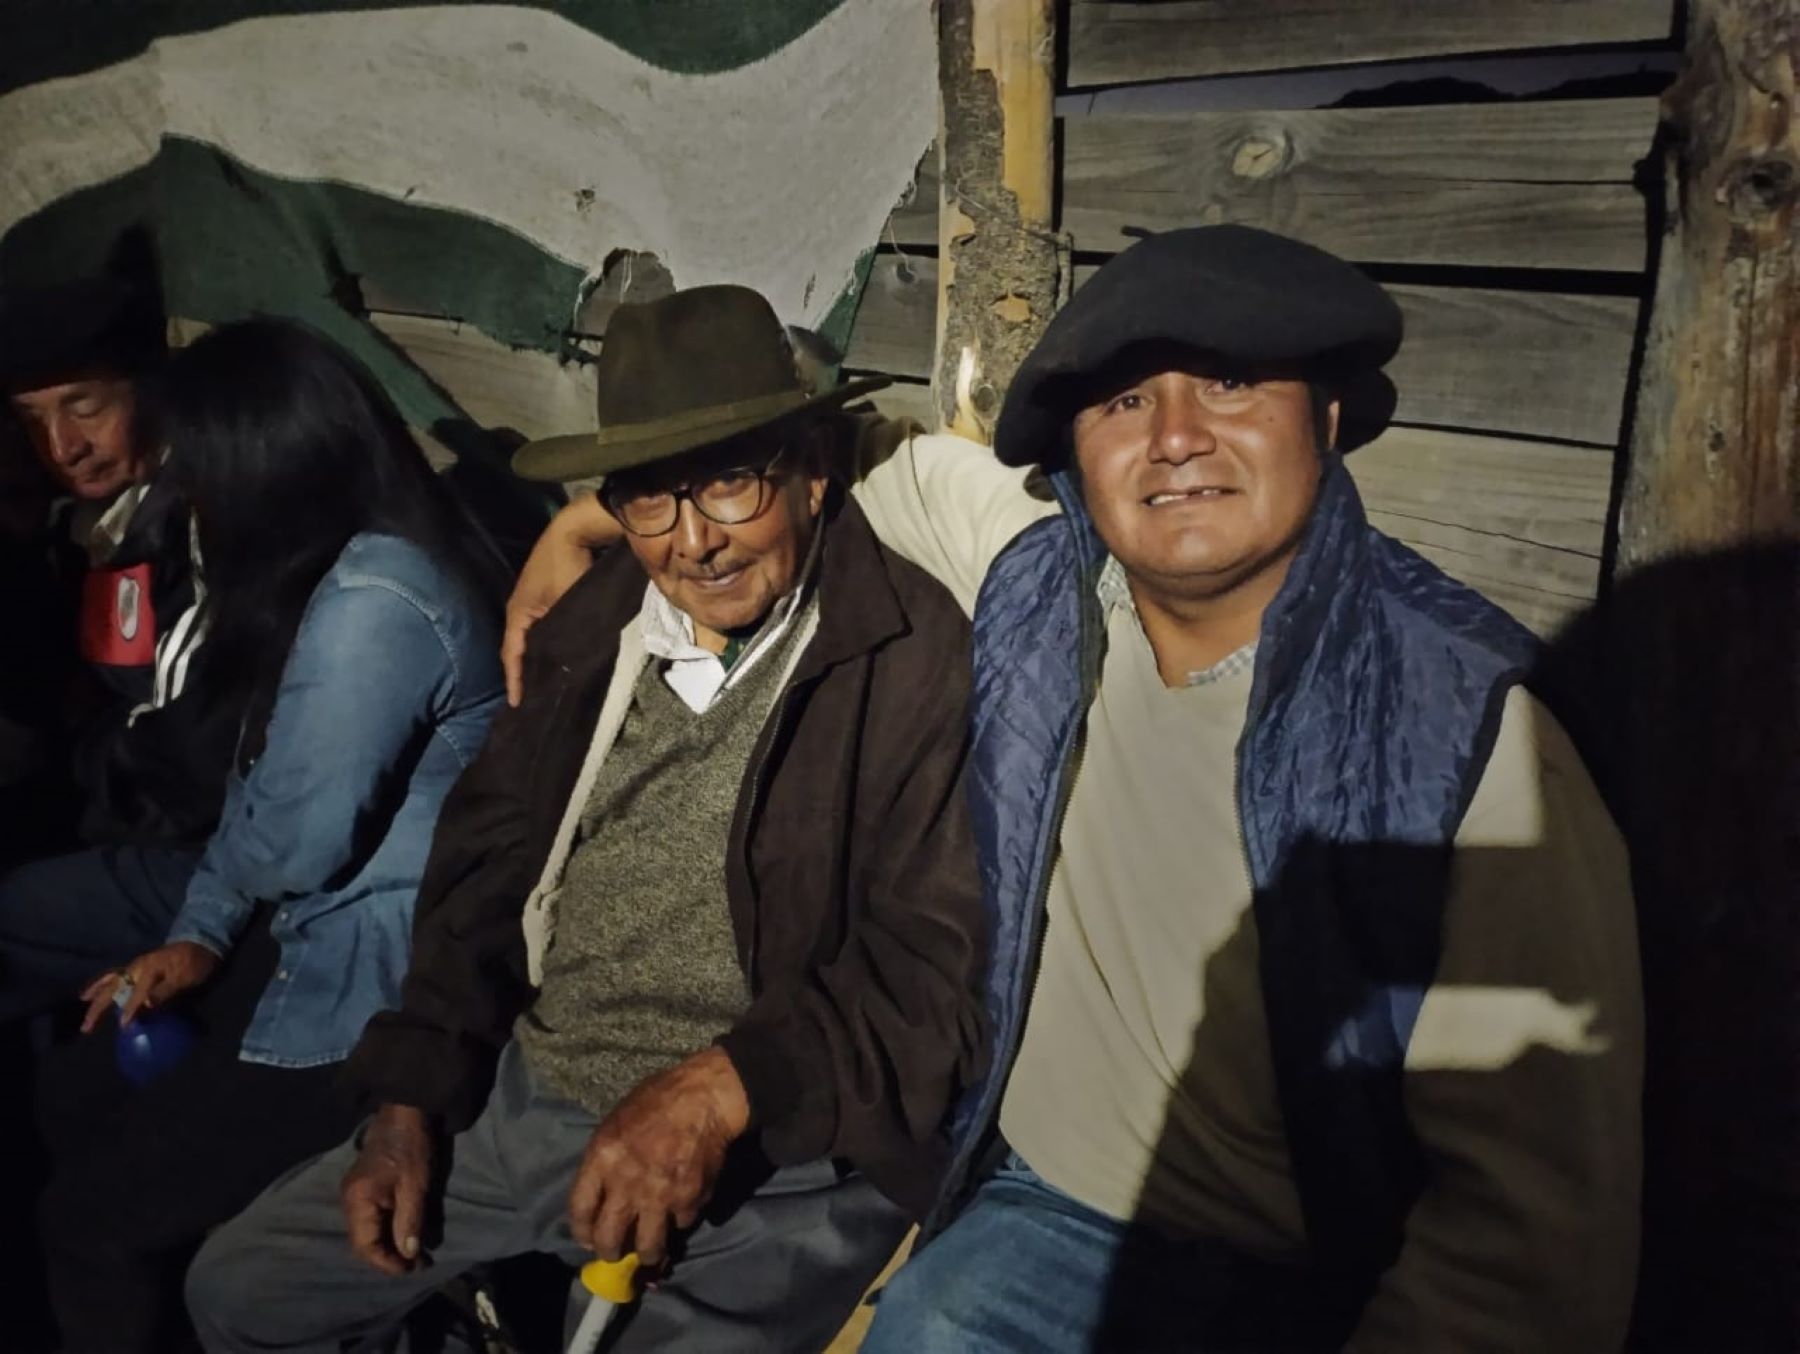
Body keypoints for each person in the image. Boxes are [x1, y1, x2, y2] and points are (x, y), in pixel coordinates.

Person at [503, 228, 1644, 1352]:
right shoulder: (1036, 586)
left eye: (1232, 382)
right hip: (1042, 1211)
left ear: (1330, 417)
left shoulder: (1465, 733)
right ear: (1074, 459)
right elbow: (817, 461)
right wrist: (595, 514)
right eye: (1123, 404)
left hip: (1311, 1273)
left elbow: (1525, 1250)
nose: (1178, 438)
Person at [186, 285, 989, 1353]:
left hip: (784, 1147)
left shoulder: (912, 652)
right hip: (539, 1093)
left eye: (731, 485)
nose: (695, 541)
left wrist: (720, 1090)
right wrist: (410, 1098)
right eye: (651, 500)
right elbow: (483, 867)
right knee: (240, 1290)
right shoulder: (596, 622)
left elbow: (935, 962)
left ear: (810, 471)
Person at [32, 317, 506, 1352]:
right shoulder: (318, 578)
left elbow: (291, 840)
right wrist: (197, 932)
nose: (191, 492)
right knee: (71, 1083)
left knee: (88, 1223)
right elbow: (258, 792)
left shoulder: (377, 598)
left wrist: (214, 917)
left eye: (201, 468)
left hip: (360, 1001)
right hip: (293, 951)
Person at [0, 277, 243, 1007]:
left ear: (151, 389)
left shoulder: (202, 514)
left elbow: (193, 763)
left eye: (85, 407)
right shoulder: (90, 524)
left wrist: (82, 753)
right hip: (127, 804)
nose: (63, 447)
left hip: (208, 854)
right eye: (32, 420)